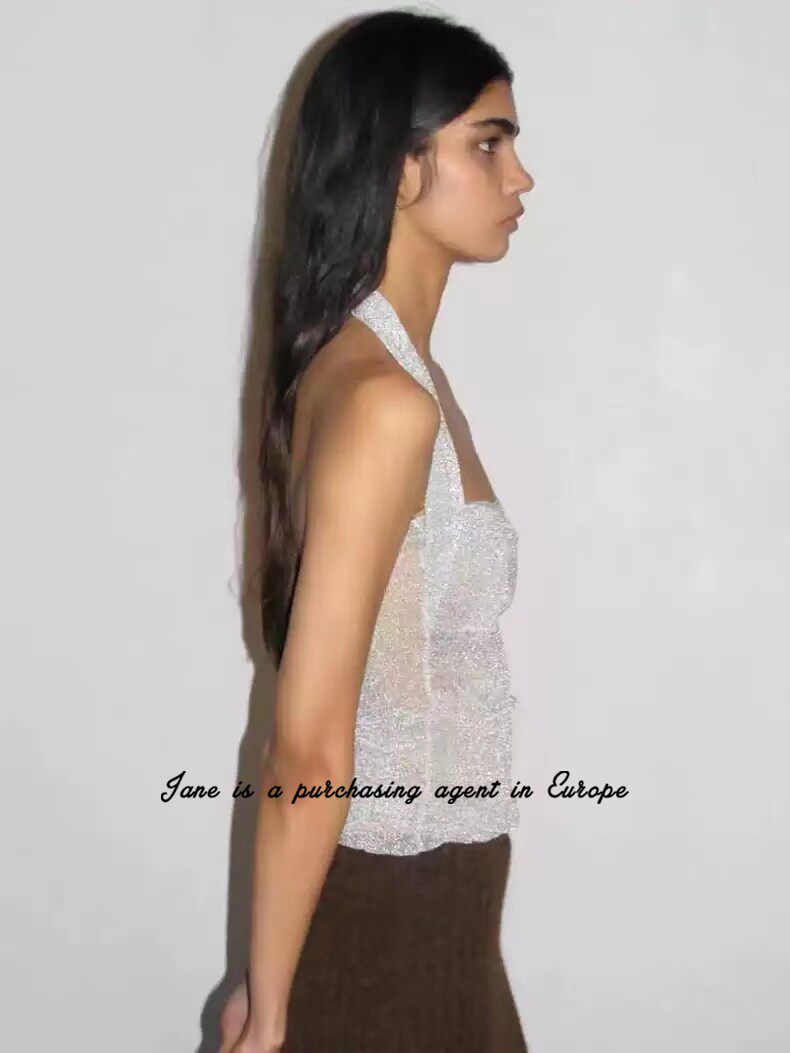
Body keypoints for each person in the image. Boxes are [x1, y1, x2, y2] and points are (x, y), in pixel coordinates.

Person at [220, 9, 534, 1052]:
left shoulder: (394, 377)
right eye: (487, 143)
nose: (520, 176)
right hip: (389, 931)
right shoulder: (385, 402)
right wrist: (272, 1012)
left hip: (435, 924)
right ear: (401, 170)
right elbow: (309, 739)